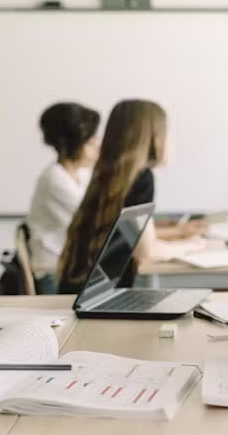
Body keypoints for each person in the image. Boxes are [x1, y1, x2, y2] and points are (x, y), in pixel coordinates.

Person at [58, 99, 205, 294]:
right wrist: (191, 246)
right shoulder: (141, 179)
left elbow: (141, 241)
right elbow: (146, 252)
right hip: (100, 302)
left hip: (78, 292)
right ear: (153, 137)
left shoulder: (106, 175)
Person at [25, 102, 101, 293]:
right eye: (91, 143)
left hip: (72, 267)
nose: (98, 147)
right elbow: (98, 224)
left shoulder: (81, 175)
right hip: (55, 272)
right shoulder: (55, 179)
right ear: (74, 143)